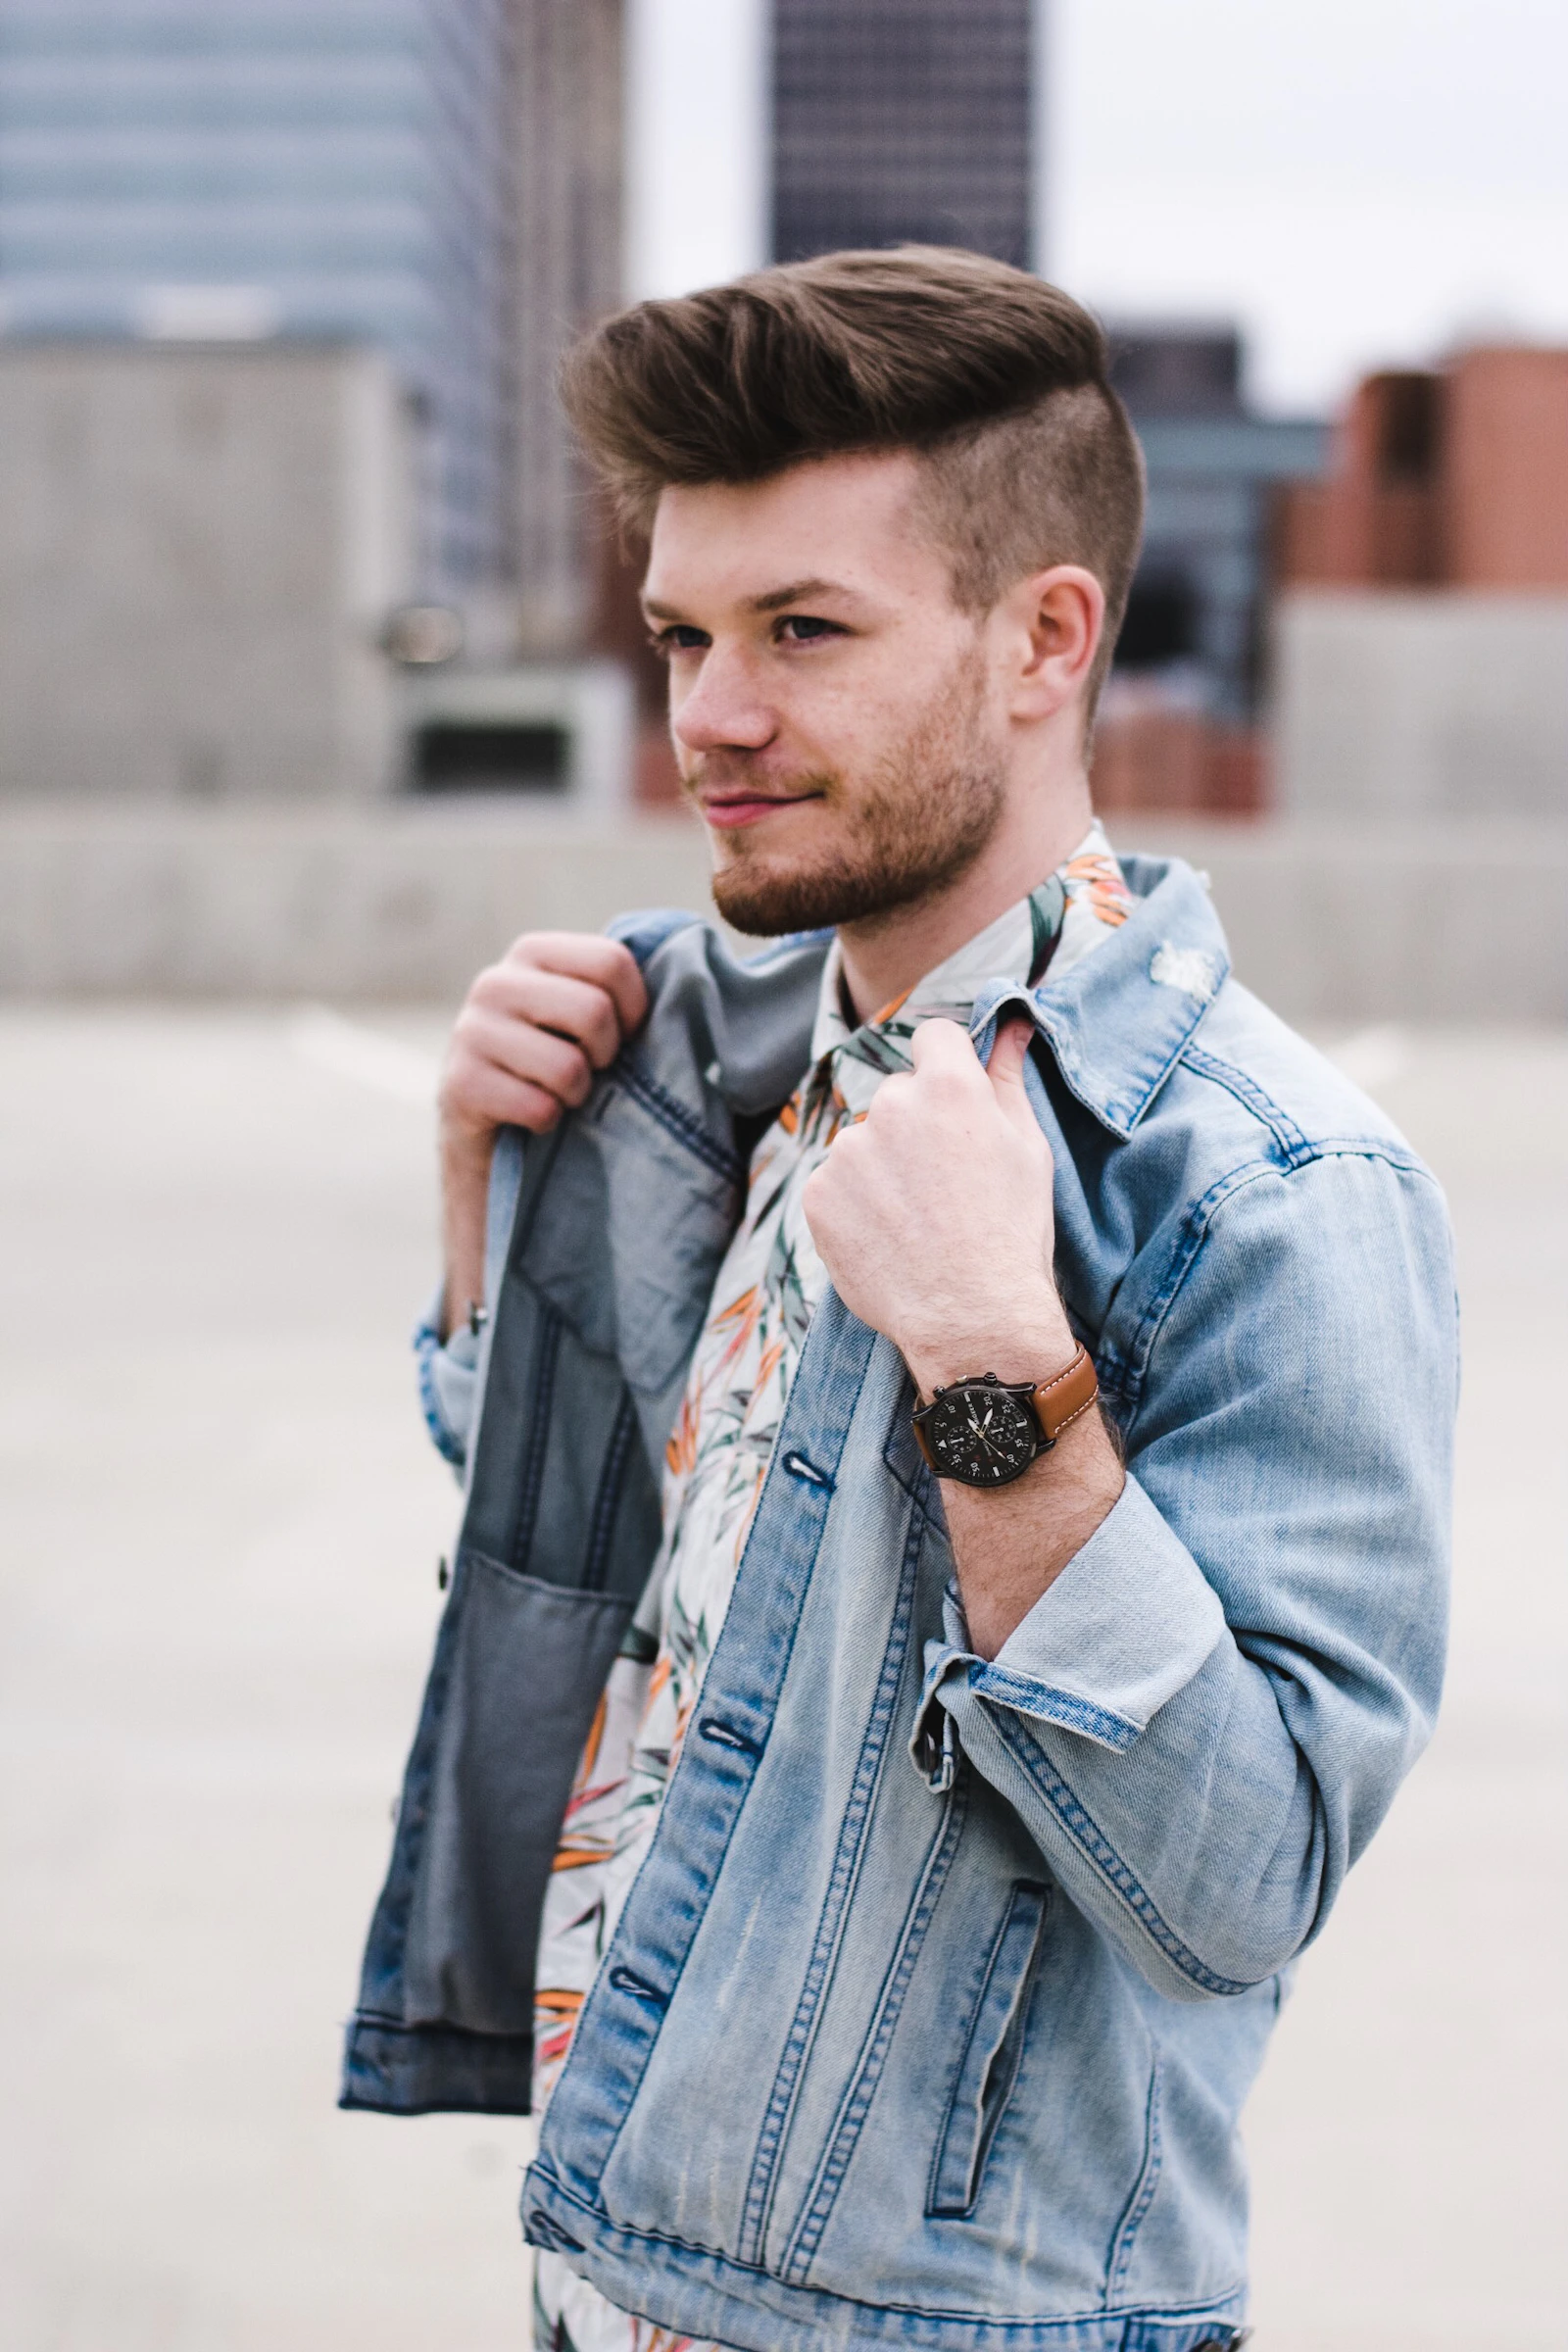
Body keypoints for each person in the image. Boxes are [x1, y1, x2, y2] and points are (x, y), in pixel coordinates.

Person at [342, 248, 1456, 2352]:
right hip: (612, 2261)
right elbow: (673, 1585)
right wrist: (483, 1224)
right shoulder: (693, 1062)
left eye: (801, 633)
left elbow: (1238, 1882)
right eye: (683, 634)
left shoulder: (1271, 1186)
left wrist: (992, 1366)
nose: (709, 716)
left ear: (1045, 640)